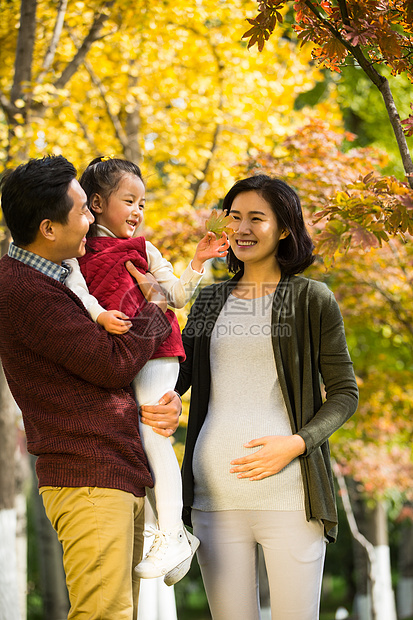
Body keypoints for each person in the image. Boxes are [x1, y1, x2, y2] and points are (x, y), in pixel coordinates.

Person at [0, 155, 182, 620]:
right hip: (87, 479)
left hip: (112, 472)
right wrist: (156, 301)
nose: (92, 221)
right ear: (47, 228)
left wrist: (165, 399)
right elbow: (109, 363)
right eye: (83, 211)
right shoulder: (25, 291)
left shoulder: (55, 277)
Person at [176, 174, 359, 620]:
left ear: (283, 229)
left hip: (290, 496)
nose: (242, 228)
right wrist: (163, 400)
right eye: (234, 217)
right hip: (213, 496)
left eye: (256, 218)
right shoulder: (210, 301)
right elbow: (177, 377)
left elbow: (344, 393)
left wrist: (296, 443)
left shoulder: (311, 298)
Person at [64, 156, 229, 584]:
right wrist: (100, 316)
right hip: (116, 353)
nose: (137, 211)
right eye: (129, 201)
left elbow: (175, 296)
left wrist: (198, 260)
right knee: (136, 443)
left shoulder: (145, 249)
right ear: (96, 204)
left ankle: (172, 533)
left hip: (157, 349)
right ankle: (171, 536)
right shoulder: (77, 252)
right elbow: (79, 294)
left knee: (154, 438)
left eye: (143, 203)